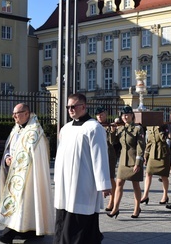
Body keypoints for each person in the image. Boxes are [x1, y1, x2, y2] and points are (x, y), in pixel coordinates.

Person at [54, 93, 111, 244]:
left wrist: (104, 184)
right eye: (68, 107)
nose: (70, 109)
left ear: (84, 107)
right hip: (65, 182)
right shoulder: (65, 128)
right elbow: (60, 155)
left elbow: (100, 156)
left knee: (80, 217)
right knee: (63, 215)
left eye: (74, 106)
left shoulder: (94, 128)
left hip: (83, 182)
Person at [0, 103, 54, 243]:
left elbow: (34, 154)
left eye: (17, 113)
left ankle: (8, 233)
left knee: (22, 201)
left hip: (29, 174)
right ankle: (31, 230)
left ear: (27, 113)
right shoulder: (16, 129)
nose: (14, 116)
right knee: (24, 201)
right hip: (14, 172)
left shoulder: (34, 131)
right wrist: (8, 157)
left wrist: (16, 161)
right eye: (13, 113)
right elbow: (10, 147)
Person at [108, 105, 145, 219]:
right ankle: (115, 208)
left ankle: (136, 208)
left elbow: (140, 146)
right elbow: (112, 141)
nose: (125, 117)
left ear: (132, 115)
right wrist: (113, 131)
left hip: (134, 160)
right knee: (119, 184)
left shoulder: (138, 129)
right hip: (123, 160)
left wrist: (138, 162)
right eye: (123, 115)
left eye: (127, 114)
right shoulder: (121, 128)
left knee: (135, 185)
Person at [140, 122, 171, 205]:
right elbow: (149, 142)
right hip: (153, 153)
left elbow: (164, 139)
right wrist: (145, 155)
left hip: (163, 153)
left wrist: (159, 128)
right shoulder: (149, 126)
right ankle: (145, 195)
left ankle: (165, 195)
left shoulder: (164, 126)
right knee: (148, 173)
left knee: (164, 176)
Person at [95, 107, 117, 211]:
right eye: (98, 115)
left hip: (109, 154)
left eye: (102, 114)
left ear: (106, 115)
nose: (100, 116)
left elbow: (112, 142)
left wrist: (112, 132)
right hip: (96, 154)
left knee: (111, 177)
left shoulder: (109, 126)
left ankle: (112, 201)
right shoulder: (94, 125)